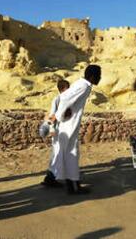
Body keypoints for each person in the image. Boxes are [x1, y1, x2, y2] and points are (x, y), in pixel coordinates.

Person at [50, 65, 102, 194]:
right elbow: (65, 97)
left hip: (69, 125)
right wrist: (59, 116)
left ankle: (65, 183)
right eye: (98, 75)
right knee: (71, 154)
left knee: (68, 154)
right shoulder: (83, 85)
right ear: (92, 76)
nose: (100, 78)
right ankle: (73, 187)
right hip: (69, 126)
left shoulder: (83, 84)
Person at [41, 79, 70, 188]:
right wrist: (52, 130)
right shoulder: (57, 100)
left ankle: (54, 177)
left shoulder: (66, 99)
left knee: (62, 155)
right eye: (68, 88)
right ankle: (50, 179)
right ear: (62, 89)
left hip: (64, 132)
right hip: (58, 132)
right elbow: (51, 116)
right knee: (58, 155)